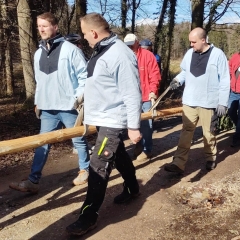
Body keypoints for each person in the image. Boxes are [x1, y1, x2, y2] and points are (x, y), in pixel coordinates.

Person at [66, 13, 142, 236]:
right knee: (118, 155)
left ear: (94, 33)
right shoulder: (100, 51)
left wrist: (134, 125)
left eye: (83, 32)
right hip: (101, 117)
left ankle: (87, 216)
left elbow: (131, 92)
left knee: (98, 165)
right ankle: (132, 187)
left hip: (113, 120)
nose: (83, 37)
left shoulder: (120, 53)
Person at [9, 12, 90, 192]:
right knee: (41, 143)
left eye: (45, 25)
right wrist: (38, 101)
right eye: (39, 26)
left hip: (69, 106)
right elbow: (40, 81)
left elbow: (84, 76)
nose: (41, 29)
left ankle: (85, 169)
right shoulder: (38, 54)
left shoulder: (71, 50)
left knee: (78, 139)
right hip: (48, 109)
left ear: (55, 27)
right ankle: (33, 181)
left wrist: (79, 97)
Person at [164, 27, 230, 174]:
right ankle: (178, 163)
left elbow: (225, 80)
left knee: (208, 132)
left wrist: (223, 102)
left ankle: (211, 158)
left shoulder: (218, 55)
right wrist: (177, 80)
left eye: (193, 42)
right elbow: (185, 72)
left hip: (209, 102)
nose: (191, 45)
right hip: (190, 101)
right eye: (190, 42)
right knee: (186, 131)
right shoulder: (189, 53)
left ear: (203, 40)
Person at [124, 33, 161, 161]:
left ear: (137, 42)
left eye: (131, 44)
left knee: (147, 125)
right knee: (134, 124)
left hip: (145, 97)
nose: (130, 47)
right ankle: (138, 146)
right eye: (127, 45)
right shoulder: (124, 57)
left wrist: (153, 91)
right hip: (130, 98)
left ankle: (147, 149)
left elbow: (155, 75)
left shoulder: (148, 56)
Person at [227, 52, 240, 147]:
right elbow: (229, 69)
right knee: (230, 111)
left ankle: (237, 137)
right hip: (234, 91)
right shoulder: (235, 56)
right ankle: (239, 129)